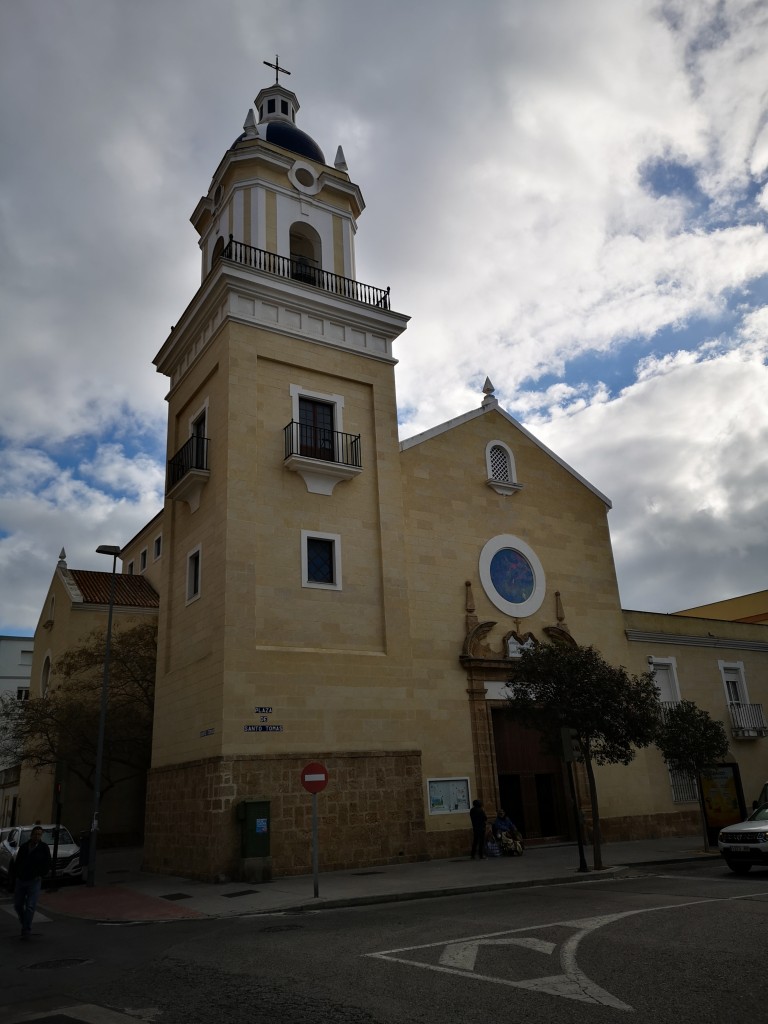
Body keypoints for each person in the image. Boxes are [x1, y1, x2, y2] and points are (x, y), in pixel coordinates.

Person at [14, 826, 52, 940]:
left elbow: (47, 863)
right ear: (32, 835)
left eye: (39, 834)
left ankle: (26, 929)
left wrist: (41, 874)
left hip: (34, 881)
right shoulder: (24, 847)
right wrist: (17, 875)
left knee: (30, 906)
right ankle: (24, 920)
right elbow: (18, 862)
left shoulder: (44, 848)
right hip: (21, 880)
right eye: (35, 834)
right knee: (18, 905)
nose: (37, 836)